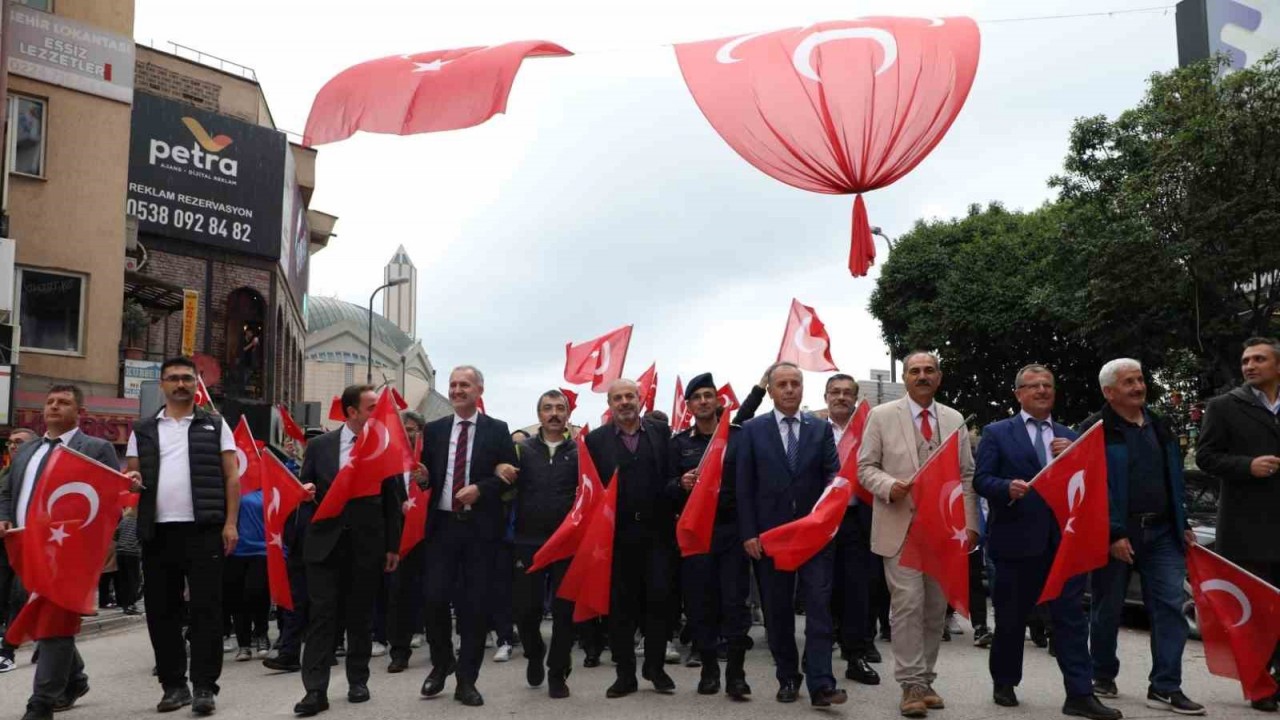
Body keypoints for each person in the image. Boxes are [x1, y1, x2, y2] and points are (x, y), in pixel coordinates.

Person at [973, 364, 1120, 720]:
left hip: (1062, 545)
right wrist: (1005, 488)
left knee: (1070, 620)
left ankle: (1080, 694)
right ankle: (1005, 681)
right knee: (1011, 620)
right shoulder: (997, 433)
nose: (1041, 391)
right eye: (1033, 385)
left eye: (1047, 386)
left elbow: (1088, 482)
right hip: (1015, 544)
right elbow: (981, 480)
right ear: (1018, 393)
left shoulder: (1070, 436)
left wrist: (1073, 454)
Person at [858, 351, 979, 718]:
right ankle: (910, 683)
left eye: (929, 370)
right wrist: (888, 485)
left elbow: (966, 475)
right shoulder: (881, 416)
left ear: (939, 378)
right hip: (901, 526)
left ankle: (925, 678)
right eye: (915, 371)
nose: (922, 376)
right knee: (907, 604)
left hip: (943, 529)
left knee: (933, 609)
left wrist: (971, 524)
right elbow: (864, 467)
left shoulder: (953, 418)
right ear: (906, 379)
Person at [1082, 359, 1204, 715]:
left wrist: (1182, 522)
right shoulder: (1094, 429)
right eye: (1128, 382)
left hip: (1164, 532)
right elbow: (1093, 488)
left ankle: (1166, 686)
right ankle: (1102, 674)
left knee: (1169, 607)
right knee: (1107, 609)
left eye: (1139, 379)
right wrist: (1113, 533)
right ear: (1109, 392)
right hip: (1118, 535)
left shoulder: (1159, 424)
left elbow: (1173, 478)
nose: (1138, 387)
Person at [126, 358, 240, 715]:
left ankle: (205, 686)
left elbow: (231, 478)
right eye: (173, 378)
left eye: (187, 378)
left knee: (207, 610)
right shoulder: (142, 430)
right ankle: (174, 686)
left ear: (196, 383)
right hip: (157, 532)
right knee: (162, 612)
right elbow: (131, 477)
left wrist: (230, 523)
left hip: (204, 529)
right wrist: (130, 486)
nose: (180, 384)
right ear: (162, 384)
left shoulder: (215, 424)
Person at [0, 386, 119, 720]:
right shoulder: (26, 451)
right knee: (47, 619)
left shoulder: (96, 448)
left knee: (53, 618)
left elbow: (112, 496)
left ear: (78, 411)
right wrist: (3, 515)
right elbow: (8, 490)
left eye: (64, 402)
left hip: (70, 552)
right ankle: (75, 679)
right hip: (26, 548)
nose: (54, 406)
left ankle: (40, 704)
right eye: (50, 401)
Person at [738, 361, 847, 708]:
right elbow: (743, 486)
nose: (789, 390)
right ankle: (787, 676)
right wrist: (749, 532)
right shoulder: (752, 430)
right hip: (771, 538)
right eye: (782, 384)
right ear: (769, 390)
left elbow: (833, 475)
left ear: (803, 389)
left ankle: (821, 683)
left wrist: (827, 515)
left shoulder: (820, 429)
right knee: (777, 611)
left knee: (818, 608)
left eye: (795, 384)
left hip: (814, 537)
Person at [292, 384, 401, 716]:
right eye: (371, 407)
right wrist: (304, 490)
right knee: (322, 615)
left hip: (366, 544)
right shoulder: (320, 446)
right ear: (351, 412)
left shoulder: (383, 445)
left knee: (359, 615)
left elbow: (392, 502)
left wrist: (392, 546)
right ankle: (315, 690)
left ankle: (358, 679)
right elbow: (304, 486)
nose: (377, 413)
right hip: (324, 544)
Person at [419, 366, 518, 707]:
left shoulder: (497, 429)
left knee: (474, 607)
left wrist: (482, 488)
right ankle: (442, 661)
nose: (457, 390)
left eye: (465, 385)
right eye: (453, 384)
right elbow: (427, 478)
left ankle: (466, 679)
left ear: (479, 390)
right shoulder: (433, 431)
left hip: (480, 530)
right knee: (433, 599)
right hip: (442, 528)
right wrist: (420, 479)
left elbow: (510, 478)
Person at [1196, 336, 1280, 712]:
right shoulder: (1225, 406)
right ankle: (1261, 685)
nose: (1250, 365)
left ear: (1278, 366)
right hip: (1248, 530)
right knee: (1257, 613)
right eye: (1246, 360)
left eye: (1259, 359)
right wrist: (1247, 466)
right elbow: (1206, 457)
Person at [585, 379, 679, 698]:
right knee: (620, 609)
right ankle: (625, 674)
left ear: (641, 399)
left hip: (657, 534)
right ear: (609, 403)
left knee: (659, 602)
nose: (624, 402)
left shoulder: (661, 434)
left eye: (630, 396)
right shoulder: (594, 441)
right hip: (616, 538)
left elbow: (671, 478)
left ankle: (655, 667)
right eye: (618, 397)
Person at [670, 372, 760, 701]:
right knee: (700, 605)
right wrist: (680, 483)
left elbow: (750, 485)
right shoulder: (679, 444)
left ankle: (736, 675)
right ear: (689, 405)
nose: (704, 401)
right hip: (696, 534)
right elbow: (664, 489)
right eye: (698, 397)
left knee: (735, 605)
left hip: (731, 532)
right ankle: (709, 671)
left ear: (718, 402)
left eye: (709, 396)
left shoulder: (737, 438)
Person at [512, 390, 578, 698]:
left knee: (565, 611)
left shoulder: (580, 452)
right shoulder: (521, 451)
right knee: (526, 610)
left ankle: (557, 672)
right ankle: (534, 652)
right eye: (547, 408)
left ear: (567, 414)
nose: (554, 413)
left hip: (567, 542)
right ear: (539, 415)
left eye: (559, 408)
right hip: (528, 541)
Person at [823, 373, 881, 687]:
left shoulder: (869, 431)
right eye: (835, 392)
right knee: (822, 588)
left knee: (859, 588)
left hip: (859, 519)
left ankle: (855, 653)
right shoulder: (814, 429)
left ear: (855, 398)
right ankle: (819, 649)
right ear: (825, 397)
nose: (842, 397)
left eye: (848, 393)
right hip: (822, 521)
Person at [386, 411, 428, 673]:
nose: (407, 433)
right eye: (402, 429)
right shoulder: (387, 460)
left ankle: (438, 648)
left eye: (411, 429)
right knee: (398, 597)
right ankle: (399, 652)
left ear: (420, 432)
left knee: (433, 595)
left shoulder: (431, 458)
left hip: (429, 537)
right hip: (398, 538)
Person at [0, 428, 38, 672]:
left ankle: (7, 651)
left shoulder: (36, 470)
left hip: (30, 543)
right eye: (11, 443)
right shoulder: (6, 471)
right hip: (5, 542)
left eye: (19, 442)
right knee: (4, 593)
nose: (13, 446)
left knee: (20, 596)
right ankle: (45, 645)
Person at [225, 486, 270, 661]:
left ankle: (261, 634)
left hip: (260, 549)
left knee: (257, 591)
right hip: (233, 550)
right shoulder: (228, 490)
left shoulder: (265, 489)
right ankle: (244, 644)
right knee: (237, 597)